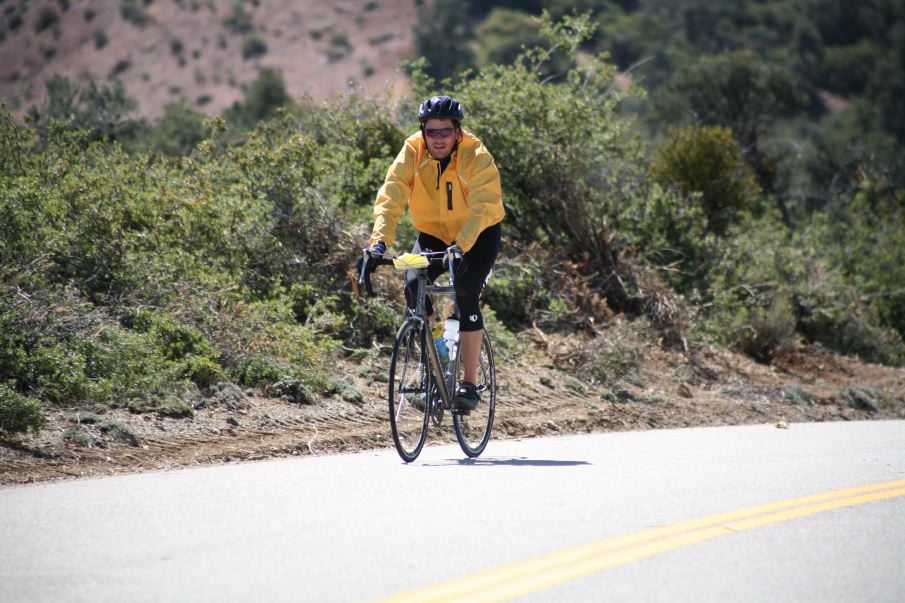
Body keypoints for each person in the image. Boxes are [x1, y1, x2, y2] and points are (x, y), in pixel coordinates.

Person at [365, 95, 504, 411]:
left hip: (477, 234)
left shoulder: (476, 156)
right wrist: (378, 244)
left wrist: (461, 246)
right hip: (433, 235)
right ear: (422, 131)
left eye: (445, 131)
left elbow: (484, 206)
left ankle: (468, 384)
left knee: (466, 292)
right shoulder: (412, 151)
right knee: (413, 285)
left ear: (458, 131)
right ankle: (438, 352)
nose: (438, 138)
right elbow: (391, 197)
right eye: (431, 131)